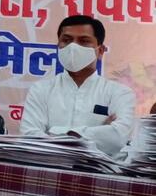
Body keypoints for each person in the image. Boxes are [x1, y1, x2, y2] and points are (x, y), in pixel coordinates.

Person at [20, 15, 136, 157]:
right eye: (66, 40)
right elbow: (30, 137)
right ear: (58, 46)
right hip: (51, 166)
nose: (73, 47)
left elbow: (117, 138)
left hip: (100, 169)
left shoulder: (120, 93)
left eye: (84, 41)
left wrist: (54, 132)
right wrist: (98, 133)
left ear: (100, 51)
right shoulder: (40, 89)